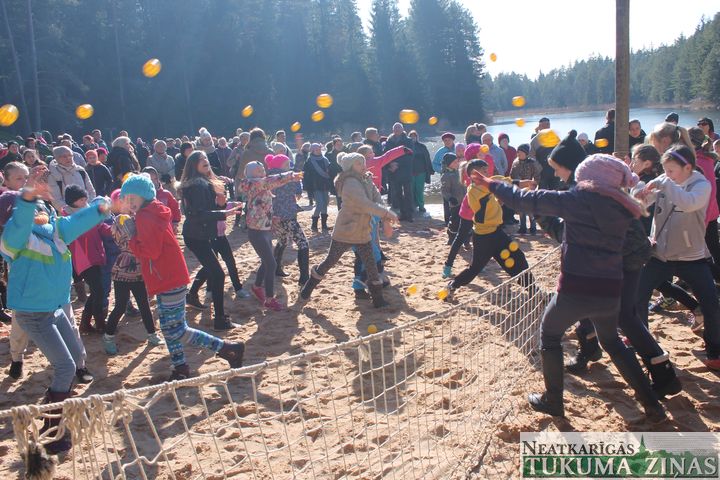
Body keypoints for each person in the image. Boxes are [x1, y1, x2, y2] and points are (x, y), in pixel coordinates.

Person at [481, 153, 666, 421]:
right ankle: (652, 405)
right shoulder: (624, 206)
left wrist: (493, 184)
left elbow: (526, 201)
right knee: (613, 342)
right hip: (611, 288)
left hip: (575, 288)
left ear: (589, 178)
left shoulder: (578, 199)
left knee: (549, 335)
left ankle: (553, 401)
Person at [2, 178, 110, 453]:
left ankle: (59, 408)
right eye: (33, 207)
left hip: (56, 306)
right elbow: (18, 225)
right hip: (32, 312)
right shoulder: (16, 238)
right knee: (64, 366)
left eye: (44, 206)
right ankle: (52, 427)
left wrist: (104, 206)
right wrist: (26, 200)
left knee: (76, 359)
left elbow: (80, 219)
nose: (41, 211)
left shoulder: (58, 232)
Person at [120, 174, 245, 381]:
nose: (129, 202)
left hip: (167, 278)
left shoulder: (145, 216)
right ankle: (180, 368)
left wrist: (131, 238)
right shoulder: (151, 211)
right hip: (167, 276)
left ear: (144, 196)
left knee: (177, 329)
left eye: (133, 197)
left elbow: (149, 251)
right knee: (170, 328)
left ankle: (227, 348)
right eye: (126, 197)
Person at [634, 145, 720, 371]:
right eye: (665, 170)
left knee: (710, 303)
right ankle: (642, 342)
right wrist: (641, 195)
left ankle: (714, 351)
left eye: (671, 170)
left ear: (688, 167)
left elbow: (688, 203)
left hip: (692, 256)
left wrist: (665, 184)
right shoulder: (666, 180)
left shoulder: (702, 185)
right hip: (660, 254)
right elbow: (643, 205)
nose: (667, 174)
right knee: (638, 296)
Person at [300, 152, 397, 308]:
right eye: (359, 163)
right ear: (350, 166)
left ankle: (378, 301)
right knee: (329, 262)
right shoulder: (350, 182)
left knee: (371, 265)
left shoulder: (366, 179)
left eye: (363, 162)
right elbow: (363, 203)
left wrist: (386, 217)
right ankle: (307, 289)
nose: (363, 165)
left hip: (362, 232)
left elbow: (377, 198)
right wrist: (386, 213)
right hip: (345, 232)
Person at [442, 159, 537, 301]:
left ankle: (534, 289)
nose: (487, 174)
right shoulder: (473, 191)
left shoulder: (491, 182)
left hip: (497, 232)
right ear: (473, 176)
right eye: (483, 171)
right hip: (483, 236)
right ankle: (452, 286)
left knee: (518, 257)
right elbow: (498, 189)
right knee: (475, 269)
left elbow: (511, 182)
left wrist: (529, 183)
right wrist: (505, 194)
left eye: (487, 171)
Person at [180, 151, 241, 330]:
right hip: (196, 235)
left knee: (212, 269)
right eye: (201, 160)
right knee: (218, 273)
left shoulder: (202, 183)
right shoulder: (197, 186)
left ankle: (192, 296)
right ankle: (220, 320)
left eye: (206, 159)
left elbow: (207, 209)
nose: (205, 161)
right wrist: (223, 212)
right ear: (193, 165)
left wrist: (222, 204)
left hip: (202, 234)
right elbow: (198, 215)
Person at [102, 189, 162, 355]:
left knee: (144, 304)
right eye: (127, 201)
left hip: (137, 267)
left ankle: (152, 334)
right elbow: (134, 236)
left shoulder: (132, 218)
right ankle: (108, 336)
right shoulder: (122, 219)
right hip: (124, 267)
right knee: (120, 306)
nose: (131, 205)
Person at [239, 161, 301, 311]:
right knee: (271, 263)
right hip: (256, 231)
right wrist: (290, 175)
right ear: (250, 174)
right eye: (258, 170)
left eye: (262, 169)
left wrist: (271, 218)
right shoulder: (255, 183)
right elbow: (270, 181)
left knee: (267, 261)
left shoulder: (261, 185)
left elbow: (262, 206)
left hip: (265, 229)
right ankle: (269, 298)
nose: (262, 172)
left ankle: (256, 287)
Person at [63, 185, 111, 334]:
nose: (85, 201)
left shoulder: (88, 211)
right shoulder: (68, 217)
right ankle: (100, 324)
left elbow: (100, 227)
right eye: (81, 199)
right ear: (73, 201)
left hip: (95, 254)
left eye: (85, 198)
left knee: (97, 291)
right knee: (98, 290)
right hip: (83, 259)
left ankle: (86, 323)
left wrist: (113, 230)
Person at [267, 154, 309, 285]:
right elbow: (297, 189)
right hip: (286, 215)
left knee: (282, 241)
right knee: (303, 244)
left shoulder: (269, 177)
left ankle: (276, 269)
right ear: (280, 166)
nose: (289, 166)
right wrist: (295, 178)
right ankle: (304, 278)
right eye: (286, 164)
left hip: (276, 216)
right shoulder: (286, 177)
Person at [47, 146, 96, 211]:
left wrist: (87, 207)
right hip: (68, 216)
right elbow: (56, 199)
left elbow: (91, 191)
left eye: (70, 155)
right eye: (64, 156)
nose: (68, 158)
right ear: (57, 158)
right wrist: (71, 211)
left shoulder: (80, 171)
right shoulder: (53, 175)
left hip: (87, 211)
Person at [384, 123, 415, 221]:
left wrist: (397, 164)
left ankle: (409, 214)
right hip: (393, 172)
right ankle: (402, 213)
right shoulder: (389, 141)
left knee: (408, 193)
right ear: (393, 130)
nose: (397, 130)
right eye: (395, 128)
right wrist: (390, 165)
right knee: (397, 194)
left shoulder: (408, 141)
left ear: (402, 129)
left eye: (399, 128)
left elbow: (410, 155)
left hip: (405, 170)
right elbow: (385, 155)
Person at [510, 144, 542, 235]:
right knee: (520, 209)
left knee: (530, 209)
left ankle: (533, 227)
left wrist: (534, 185)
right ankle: (522, 227)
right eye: (518, 151)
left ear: (526, 153)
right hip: (519, 188)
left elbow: (537, 176)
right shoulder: (515, 162)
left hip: (530, 188)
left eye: (520, 151)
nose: (518, 153)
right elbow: (511, 175)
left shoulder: (532, 163)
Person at [303, 143, 332, 232]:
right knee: (319, 204)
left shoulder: (325, 159)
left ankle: (324, 225)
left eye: (319, 149)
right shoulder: (309, 161)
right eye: (317, 149)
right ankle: (314, 224)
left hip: (325, 184)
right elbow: (306, 176)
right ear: (312, 151)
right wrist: (307, 188)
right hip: (315, 186)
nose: (319, 150)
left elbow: (329, 171)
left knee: (325, 204)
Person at [142, 167, 181, 232]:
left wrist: (175, 222)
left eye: (155, 179)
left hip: (167, 229)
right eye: (150, 180)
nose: (153, 182)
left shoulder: (166, 194)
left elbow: (175, 208)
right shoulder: (141, 197)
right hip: (150, 230)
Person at [440, 153, 465, 244]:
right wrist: (450, 198)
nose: (457, 163)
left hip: (464, 201)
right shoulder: (446, 176)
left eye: (457, 161)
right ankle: (452, 237)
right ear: (448, 164)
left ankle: (465, 239)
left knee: (465, 220)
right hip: (455, 203)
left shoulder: (460, 172)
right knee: (455, 220)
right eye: (454, 162)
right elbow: (444, 191)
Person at [408, 130, 432, 214]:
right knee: (410, 190)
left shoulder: (422, 146)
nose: (413, 137)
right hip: (409, 172)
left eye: (414, 136)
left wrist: (430, 170)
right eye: (411, 136)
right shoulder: (406, 147)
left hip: (421, 172)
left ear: (417, 137)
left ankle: (421, 206)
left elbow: (427, 159)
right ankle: (411, 206)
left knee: (419, 190)